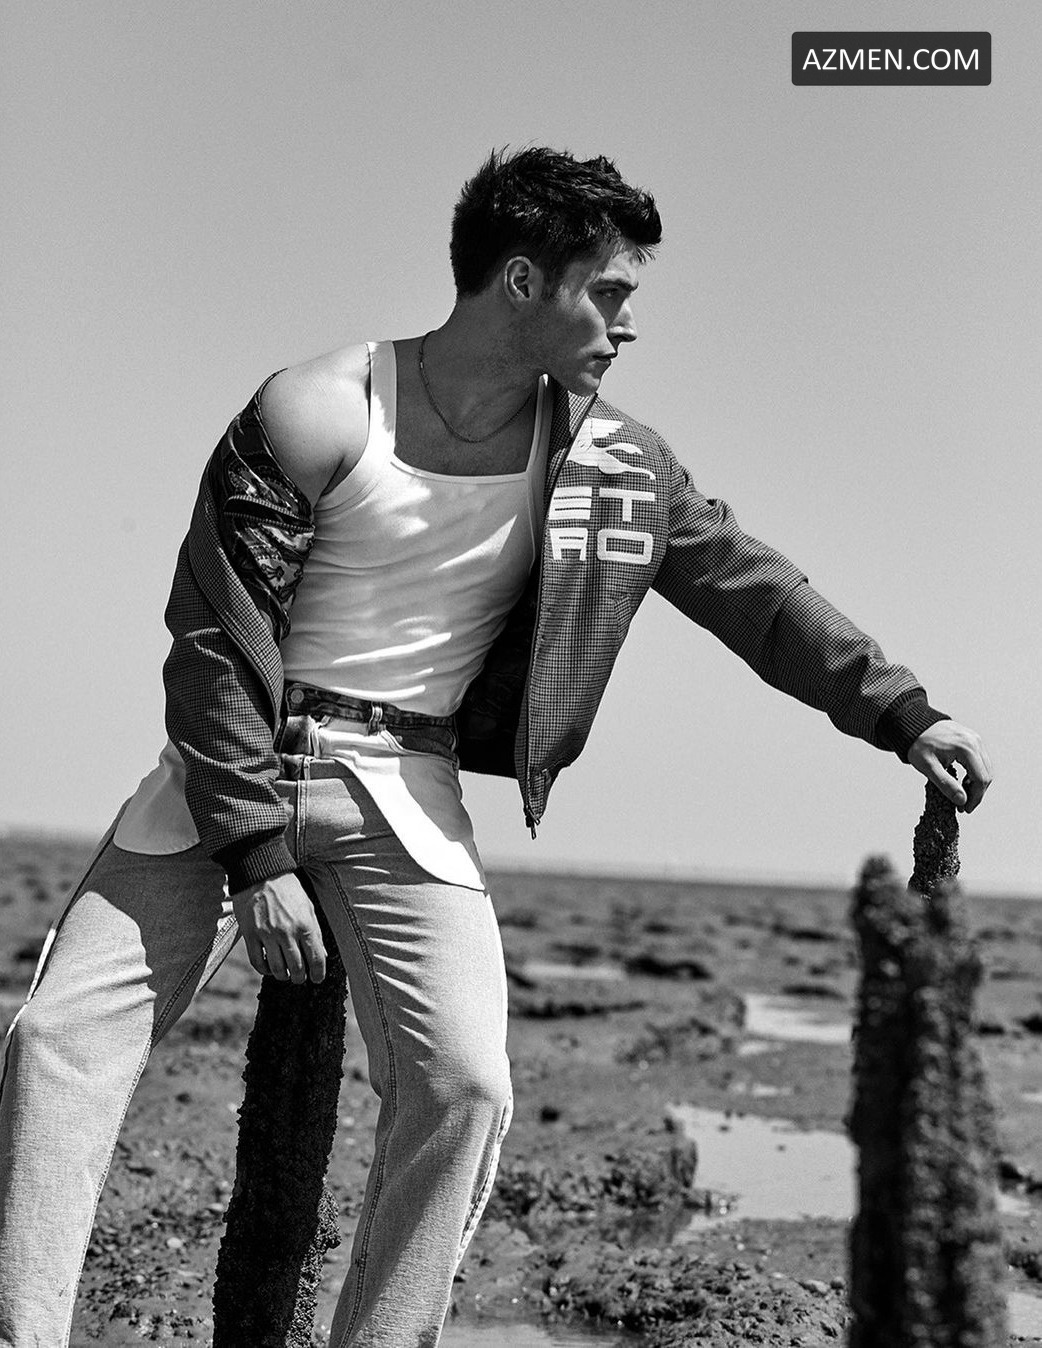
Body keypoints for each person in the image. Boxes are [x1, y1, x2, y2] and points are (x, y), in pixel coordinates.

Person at [0, 147, 992, 1348]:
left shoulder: (614, 467)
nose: (627, 324)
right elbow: (213, 643)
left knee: (467, 1087)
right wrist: (257, 859)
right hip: (231, 775)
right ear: (521, 280)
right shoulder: (318, 406)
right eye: (608, 292)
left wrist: (903, 712)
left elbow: (754, 593)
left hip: (401, 788)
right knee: (57, 1041)